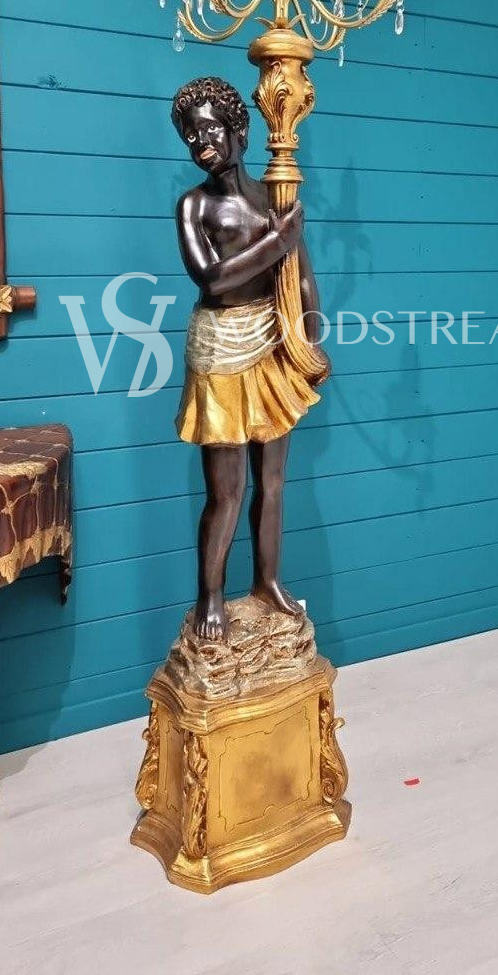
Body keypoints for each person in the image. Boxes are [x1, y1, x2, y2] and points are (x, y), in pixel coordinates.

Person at [172, 76, 327, 640]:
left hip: (273, 340)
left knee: (274, 480)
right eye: (191, 135)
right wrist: (277, 240)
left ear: (238, 130)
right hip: (220, 347)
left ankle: (268, 580)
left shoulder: (272, 197)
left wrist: (311, 337)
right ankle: (210, 595)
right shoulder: (194, 205)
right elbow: (212, 279)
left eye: (210, 129)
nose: (201, 143)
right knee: (226, 491)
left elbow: (300, 274)